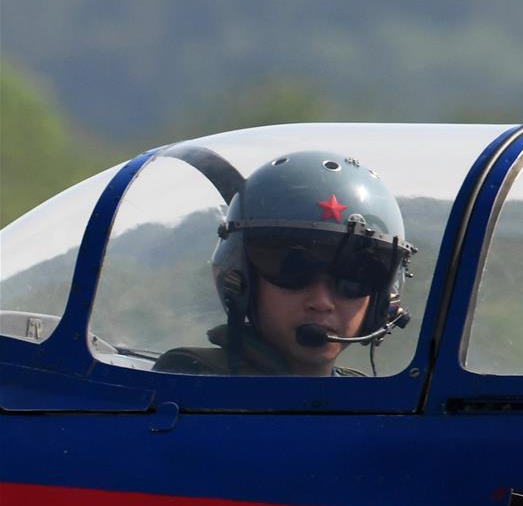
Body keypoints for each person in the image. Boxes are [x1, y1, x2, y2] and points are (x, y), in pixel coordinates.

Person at [154, 150, 415, 377]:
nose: (321, 302)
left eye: (354, 277)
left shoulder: (369, 404)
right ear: (239, 279)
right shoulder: (192, 383)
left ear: (383, 300)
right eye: (293, 270)